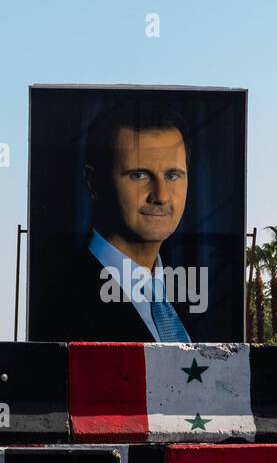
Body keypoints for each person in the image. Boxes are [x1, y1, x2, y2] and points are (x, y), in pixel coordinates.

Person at [49, 102, 197, 342]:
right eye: (139, 175)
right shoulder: (60, 301)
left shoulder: (194, 297)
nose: (161, 196)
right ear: (94, 184)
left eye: (172, 175)